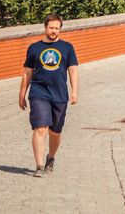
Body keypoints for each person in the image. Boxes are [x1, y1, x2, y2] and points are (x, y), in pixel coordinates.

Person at [19, 14, 79, 178]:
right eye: (51, 27)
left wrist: (74, 91)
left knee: (55, 132)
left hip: (60, 94)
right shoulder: (34, 48)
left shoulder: (67, 47)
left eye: (56, 28)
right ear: (45, 27)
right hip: (39, 92)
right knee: (40, 128)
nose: (53, 31)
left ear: (60, 29)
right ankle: (39, 165)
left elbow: (72, 70)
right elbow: (27, 73)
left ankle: (50, 156)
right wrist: (22, 94)